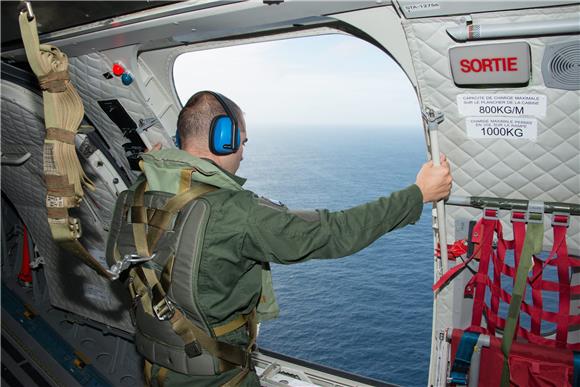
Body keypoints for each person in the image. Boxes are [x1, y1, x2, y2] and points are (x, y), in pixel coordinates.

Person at [138, 91, 452, 386]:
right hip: (216, 378)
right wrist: (417, 195)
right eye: (242, 142)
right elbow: (334, 231)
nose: (244, 154)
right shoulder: (235, 213)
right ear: (224, 139)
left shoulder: (139, 192)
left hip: (158, 368)